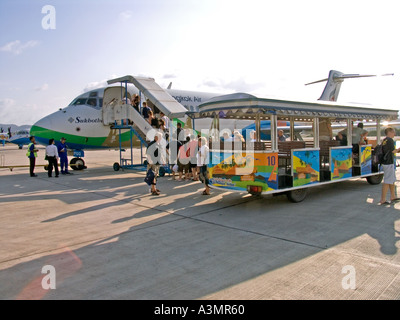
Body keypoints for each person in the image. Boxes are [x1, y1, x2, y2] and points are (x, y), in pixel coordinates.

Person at [379, 127, 400, 205]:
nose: (395, 134)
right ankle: (383, 199)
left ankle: (393, 196)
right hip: (388, 163)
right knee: (387, 181)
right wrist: (399, 149)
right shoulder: (390, 140)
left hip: (385, 162)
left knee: (392, 179)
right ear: (390, 132)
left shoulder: (384, 140)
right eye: (394, 132)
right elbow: (393, 151)